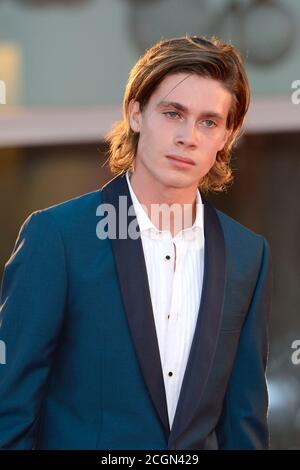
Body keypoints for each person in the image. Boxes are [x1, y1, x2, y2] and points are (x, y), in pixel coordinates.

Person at [0, 35, 272, 450]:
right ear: (136, 113)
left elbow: (244, 419)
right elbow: (10, 409)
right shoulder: (58, 237)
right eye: (172, 113)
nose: (188, 136)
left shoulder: (247, 254)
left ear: (227, 136)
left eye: (209, 122)